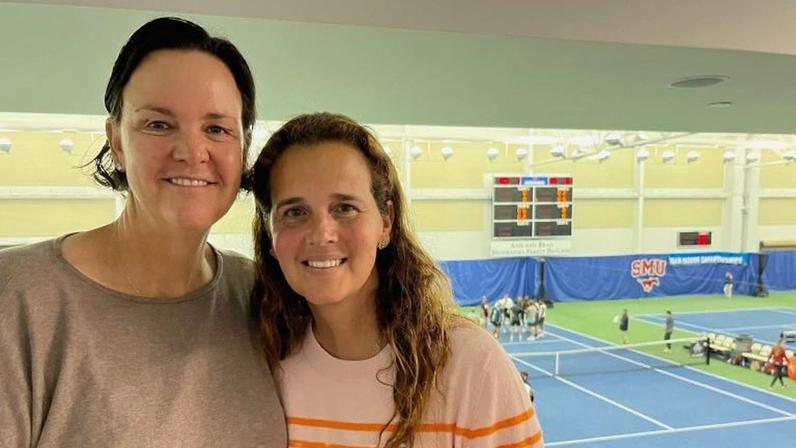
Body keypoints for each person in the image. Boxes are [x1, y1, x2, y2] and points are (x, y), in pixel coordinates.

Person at [0, 17, 286, 446]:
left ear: (242, 148)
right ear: (116, 141)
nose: (191, 151)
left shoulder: (259, 297)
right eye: (158, 124)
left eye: (217, 129)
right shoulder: (18, 297)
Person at [250, 112, 543, 447]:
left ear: (385, 223)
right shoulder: (266, 369)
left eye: (345, 207)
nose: (321, 233)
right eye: (294, 212)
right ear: (271, 237)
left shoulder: (472, 368)